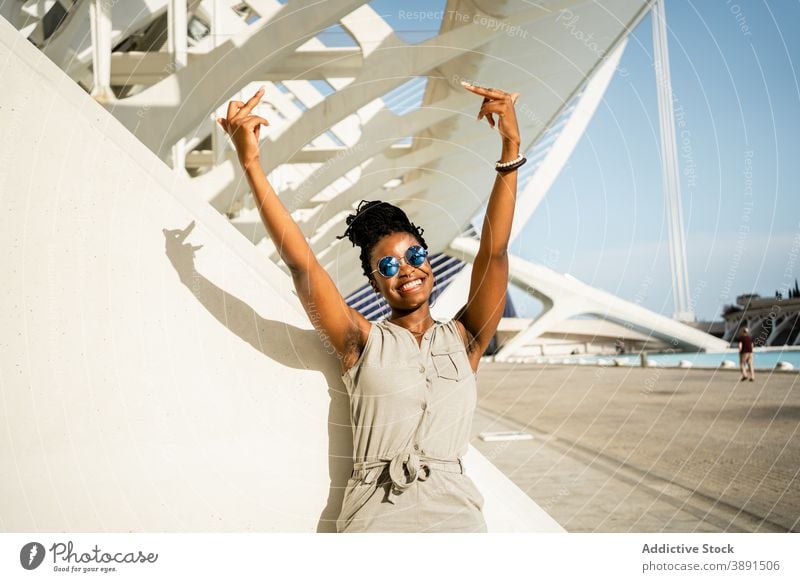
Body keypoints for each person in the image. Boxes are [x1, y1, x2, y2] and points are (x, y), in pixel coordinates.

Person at [217, 81, 522, 532]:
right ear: (376, 284)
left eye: (416, 256)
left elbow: (493, 253)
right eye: (389, 265)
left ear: (430, 260)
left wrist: (510, 148)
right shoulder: (360, 342)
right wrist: (251, 163)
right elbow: (303, 267)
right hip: (375, 520)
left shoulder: (466, 338)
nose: (407, 270)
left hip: (456, 520)